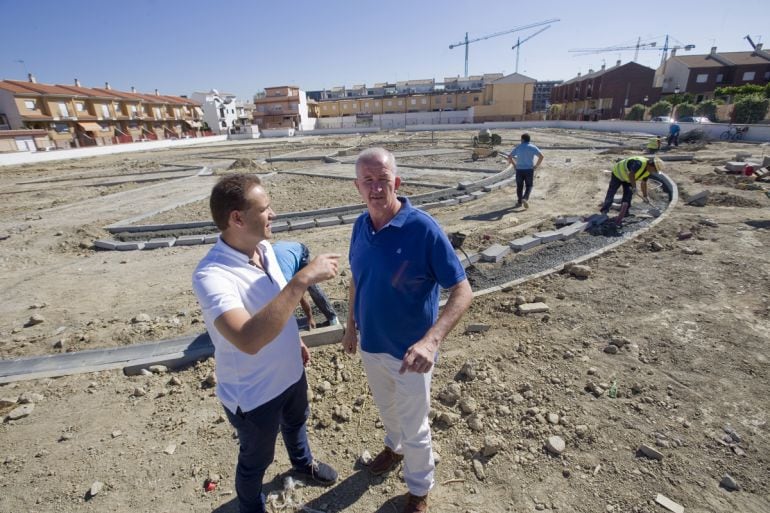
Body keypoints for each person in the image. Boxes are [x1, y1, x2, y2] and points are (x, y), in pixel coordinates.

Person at [192, 173, 340, 513]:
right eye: (265, 208)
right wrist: (302, 279)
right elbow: (248, 338)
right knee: (255, 461)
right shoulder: (212, 275)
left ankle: (303, 464)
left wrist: (294, 338)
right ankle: (250, 506)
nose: (273, 214)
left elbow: (275, 306)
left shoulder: (265, 249)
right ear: (238, 218)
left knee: (297, 421)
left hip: (290, 372)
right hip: (254, 394)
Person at [341, 148, 473, 513]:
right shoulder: (359, 226)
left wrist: (431, 342)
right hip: (372, 344)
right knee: (387, 408)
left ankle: (418, 490)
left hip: (411, 354)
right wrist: (350, 327)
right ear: (357, 186)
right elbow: (356, 278)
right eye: (368, 181)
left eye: (383, 180)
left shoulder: (423, 229)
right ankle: (393, 448)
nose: (376, 188)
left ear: (397, 182)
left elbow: (463, 290)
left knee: (416, 427)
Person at [273, 240, 338, 329]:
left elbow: (302, 298)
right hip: (282, 252)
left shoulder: (285, 283)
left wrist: (309, 318)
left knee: (311, 285)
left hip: (299, 251)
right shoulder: (265, 284)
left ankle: (332, 318)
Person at [599, 156, 664, 226]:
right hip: (618, 173)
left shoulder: (648, 171)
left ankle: (625, 212)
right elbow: (631, 174)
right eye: (655, 170)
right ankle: (604, 211)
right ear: (651, 165)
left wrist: (645, 196)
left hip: (628, 178)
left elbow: (643, 183)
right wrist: (634, 187)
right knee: (612, 192)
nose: (654, 172)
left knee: (628, 194)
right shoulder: (639, 163)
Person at [507, 132, 544, 209]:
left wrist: (514, 165)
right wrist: (536, 166)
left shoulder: (518, 147)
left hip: (519, 170)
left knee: (519, 186)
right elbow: (541, 156)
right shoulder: (533, 147)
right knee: (529, 185)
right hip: (529, 170)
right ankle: (525, 198)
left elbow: (510, 156)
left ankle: (519, 202)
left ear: (523, 139)